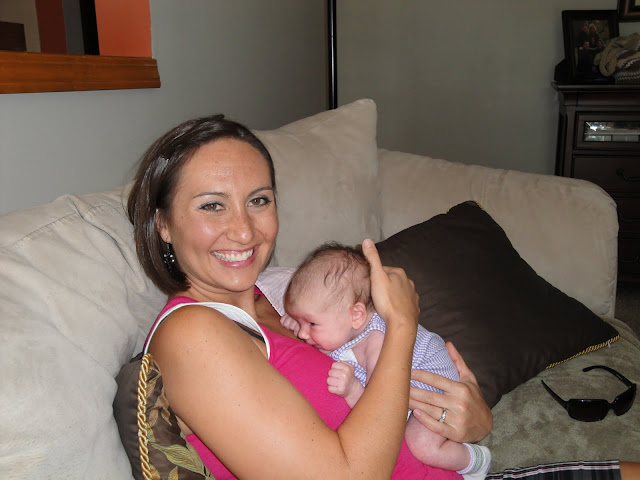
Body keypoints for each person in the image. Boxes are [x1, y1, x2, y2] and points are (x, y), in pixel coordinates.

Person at [127, 113, 636, 480]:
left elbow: (386, 397)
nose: (244, 230)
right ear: (163, 224)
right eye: (212, 206)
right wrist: (403, 325)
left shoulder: (272, 297)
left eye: (259, 200)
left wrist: (473, 418)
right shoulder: (193, 332)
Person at [280, 242, 491, 479]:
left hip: (432, 382)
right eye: (299, 321)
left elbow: (383, 410)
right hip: (407, 387)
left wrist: (352, 389)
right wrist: (298, 322)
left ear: (356, 315)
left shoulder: (376, 342)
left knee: (421, 444)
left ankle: (474, 461)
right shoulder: (344, 328)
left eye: (311, 323)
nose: (303, 333)